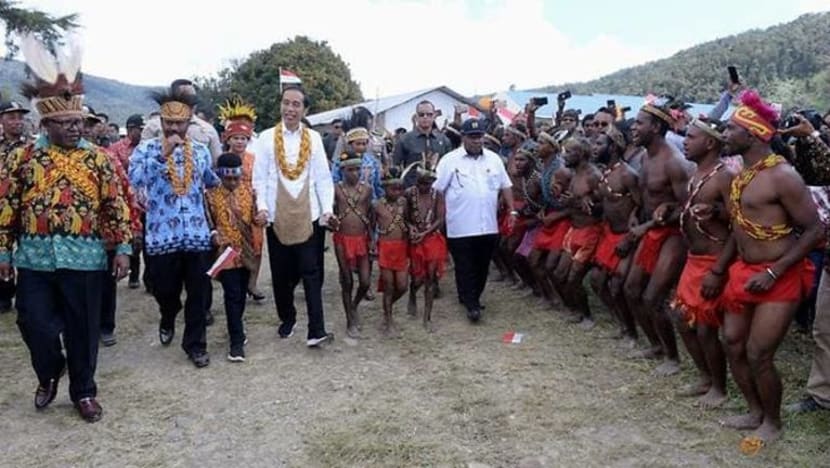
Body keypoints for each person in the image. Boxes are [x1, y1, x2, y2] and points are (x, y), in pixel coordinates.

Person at [0, 35, 132, 422]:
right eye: (67, 123)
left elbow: (115, 204)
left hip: (86, 259)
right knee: (33, 323)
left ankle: (84, 392)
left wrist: (123, 246)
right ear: (47, 123)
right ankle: (48, 371)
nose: (77, 128)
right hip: (36, 260)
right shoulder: (22, 159)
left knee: (83, 329)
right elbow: (6, 207)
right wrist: (4, 253)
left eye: (79, 121)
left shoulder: (99, 161)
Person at [717, 90, 823, 451]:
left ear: (753, 134)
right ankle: (753, 411)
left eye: (731, 129)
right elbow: (740, 226)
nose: (725, 134)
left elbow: (815, 230)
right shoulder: (741, 175)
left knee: (758, 354)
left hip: (778, 276)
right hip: (743, 272)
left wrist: (775, 272)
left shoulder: (783, 176)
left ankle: (773, 423)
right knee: (732, 343)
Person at [130, 87, 219, 368]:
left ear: (189, 122)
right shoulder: (145, 150)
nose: (174, 128)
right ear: (161, 122)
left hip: (196, 236)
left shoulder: (202, 151)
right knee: (164, 289)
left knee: (199, 292)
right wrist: (162, 156)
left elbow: (211, 182)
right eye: (169, 123)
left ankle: (195, 345)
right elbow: (134, 181)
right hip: (160, 236)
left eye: (180, 123)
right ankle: (168, 314)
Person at [252, 85, 335, 347]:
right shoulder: (266, 138)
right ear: (281, 106)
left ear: (305, 109)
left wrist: (327, 210)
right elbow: (260, 178)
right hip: (277, 215)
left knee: (311, 272)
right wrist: (262, 207)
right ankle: (287, 318)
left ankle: (316, 329)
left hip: (308, 214)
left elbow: (323, 178)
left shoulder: (314, 138)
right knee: (281, 274)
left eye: (296, 104)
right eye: (286, 103)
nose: (290, 109)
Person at [670, 119, 736, 409]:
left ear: (710, 143)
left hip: (713, 261)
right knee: (683, 321)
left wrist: (719, 269)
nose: (684, 141)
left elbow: (739, 226)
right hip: (694, 260)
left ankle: (719, 389)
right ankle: (706, 377)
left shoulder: (724, 176)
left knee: (706, 328)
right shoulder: (697, 173)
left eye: (691, 137)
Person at [623, 98, 690, 376]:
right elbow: (648, 198)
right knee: (631, 289)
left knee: (653, 297)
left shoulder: (674, 162)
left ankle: (673, 359)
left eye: (639, 123)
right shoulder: (644, 157)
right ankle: (656, 345)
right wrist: (636, 215)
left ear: (657, 126)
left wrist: (649, 224)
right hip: (651, 230)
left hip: (673, 235)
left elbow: (688, 208)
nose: (633, 127)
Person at [433, 118, 515, 322]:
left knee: (482, 265)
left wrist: (512, 211)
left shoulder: (494, 159)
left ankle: (471, 295)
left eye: (480, 137)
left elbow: (506, 186)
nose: (477, 141)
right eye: (472, 137)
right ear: (464, 138)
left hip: (487, 224)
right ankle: (472, 305)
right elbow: (439, 190)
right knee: (464, 265)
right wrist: (439, 218)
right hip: (460, 225)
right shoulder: (450, 160)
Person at [206, 153, 264, 362]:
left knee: (240, 295)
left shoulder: (250, 193)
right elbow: (208, 222)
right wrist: (214, 235)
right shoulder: (210, 195)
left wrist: (261, 217)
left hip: (246, 251)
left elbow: (258, 217)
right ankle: (236, 342)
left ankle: (237, 329)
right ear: (220, 176)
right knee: (231, 294)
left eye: (235, 178)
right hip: (225, 253)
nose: (232, 182)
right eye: (227, 178)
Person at [590, 128, 640, 345]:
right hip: (609, 234)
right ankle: (623, 325)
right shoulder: (606, 173)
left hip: (627, 237)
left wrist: (630, 237)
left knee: (618, 285)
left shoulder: (628, 174)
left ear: (613, 147)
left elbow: (642, 206)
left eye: (599, 144)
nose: (594, 148)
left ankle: (633, 333)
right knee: (597, 281)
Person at [218, 97, 266, 302]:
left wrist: (260, 206)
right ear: (228, 139)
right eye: (235, 138)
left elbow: (261, 182)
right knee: (230, 246)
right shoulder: (221, 160)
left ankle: (252, 283)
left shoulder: (254, 160)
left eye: (243, 138)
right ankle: (232, 281)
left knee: (256, 246)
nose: (239, 142)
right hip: (227, 209)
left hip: (251, 208)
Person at [552, 137, 603, 329]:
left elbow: (604, 206)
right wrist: (569, 201)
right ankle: (575, 310)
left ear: (580, 154)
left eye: (568, 152)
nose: (564, 155)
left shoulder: (593, 175)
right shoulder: (574, 174)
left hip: (590, 232)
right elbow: (573, 200)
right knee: (559, 273)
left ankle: (587, 316)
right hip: (574, 230)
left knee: (574, 278)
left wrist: (587, 202)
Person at [332, 150, 373, 338]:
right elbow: (330, 212)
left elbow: (371, 217)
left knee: (364, 282)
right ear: (343, 170)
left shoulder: (367, 189)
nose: (354, 173)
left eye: (357, 169)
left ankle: (354, 305)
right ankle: (350, 320)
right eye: (350, 170)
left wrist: (373, 240)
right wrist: (331, 222)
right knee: (347, 280)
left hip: (362, 239)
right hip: (342, 239)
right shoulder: (336, 189)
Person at [529, 132, 572, 307]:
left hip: (563, 220)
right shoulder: (544, 166)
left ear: (552, 147)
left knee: (551, 265)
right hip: (549, 218)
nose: (536, 147)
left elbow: (573, 201)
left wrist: (556, 215)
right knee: (533, 260)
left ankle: (566, 301)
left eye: (541, 143)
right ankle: (551, 296)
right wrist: (544, 210)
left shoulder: (561, 169)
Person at [405, 153, 446, 332]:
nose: (424, 186)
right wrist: (411, 229)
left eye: (427, 183)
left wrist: (426, 232)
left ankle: (427, 318)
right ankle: (413, 294)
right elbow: (404, 218)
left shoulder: (438, 195)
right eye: (421, 182)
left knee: (431, 277)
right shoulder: (408, 194)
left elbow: (440, 218)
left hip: (432, 239)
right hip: (415, 240)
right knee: (417, 277)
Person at [107, 114, 145, 289]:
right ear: (130, 129)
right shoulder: (116, 149)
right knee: (132, 239)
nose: (143, 133)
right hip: (126, 201)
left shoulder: (149, 147)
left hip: (147, 202)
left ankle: (150, 278)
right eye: (140, 129)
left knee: (148, 240)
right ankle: (134, 274)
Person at [141, 79, 222, 161]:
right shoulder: (152, 127)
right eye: (186, 98)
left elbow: (216, 164)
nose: (174, 128)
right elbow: (138, 167)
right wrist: (162, 156)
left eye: (192, 98)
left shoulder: (207, 133)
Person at [0, 99, 31, 313]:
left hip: (24, 209)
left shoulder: (32, 148)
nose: (17, 122)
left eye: (20, 117)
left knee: (26, 252)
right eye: (12, 117)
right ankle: (3, 293)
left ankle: (27, 294)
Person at [374, 167, 409, 338]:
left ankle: (387, 308)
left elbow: (409, 222)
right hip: (385, 247)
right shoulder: (377, 205)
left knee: (402, 286)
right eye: (392, 189)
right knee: (388, 285)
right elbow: (370, 226)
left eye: (399, 189)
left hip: (401, 248)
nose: (397, 192)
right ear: (384, 188)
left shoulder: (404, 203)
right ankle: (388, 320)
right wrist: (372, 244)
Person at [393, 100, 452, 187]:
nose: (425, 117)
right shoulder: (405, 139)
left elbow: (449, 167)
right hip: (411, 191)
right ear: (416, 117)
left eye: (429, 114)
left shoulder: (444, 140)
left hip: (437, 191)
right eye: (421, 115)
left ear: (434, 116)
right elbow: (396, 167)